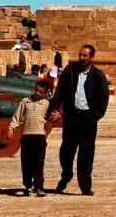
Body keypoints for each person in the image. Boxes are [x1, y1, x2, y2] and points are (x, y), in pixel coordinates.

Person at [47, 44, 110, 196]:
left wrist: (96, 115)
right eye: (80, 55)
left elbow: (104, 98)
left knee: (86, 154)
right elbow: (60, 91)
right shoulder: (70, 71)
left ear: (91, 57)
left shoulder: (98, 76)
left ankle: (85, 186)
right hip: (71, 117)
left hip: (88, 119)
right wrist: (55, 109)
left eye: (85, 56)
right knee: (66, 151)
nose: (81, 58)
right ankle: (66, 174)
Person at [10, 78, 53, 196]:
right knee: (26, 162)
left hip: (39, 136)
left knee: (39, 163)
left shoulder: (45, 104)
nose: (37, 93)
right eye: (36, 90)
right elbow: (17, 116)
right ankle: (28, 185)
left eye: (40, 92)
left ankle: (39, 187)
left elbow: (50, 117)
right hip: (27, 136)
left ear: (44, 94)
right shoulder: (25, 101)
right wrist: (11, 127)